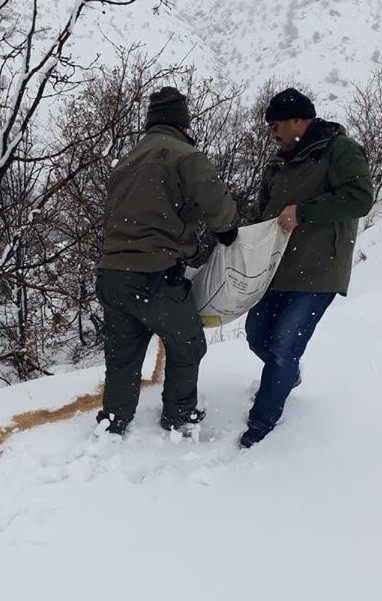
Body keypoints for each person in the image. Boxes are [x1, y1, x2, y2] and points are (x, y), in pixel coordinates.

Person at [95, 86, 237, 436]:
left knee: (123, 354)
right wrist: (228, 230)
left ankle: (114, 419)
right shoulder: (185, 155)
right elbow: (215, 203)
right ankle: (179, 416)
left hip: (112, 273)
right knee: (187, 343)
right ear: (182, 121)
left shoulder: (126, 161)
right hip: (154, 274)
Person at [240, 88, 374, 448]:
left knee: (284, 345)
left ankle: (262, 419)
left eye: (277, 126)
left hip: (318, 270)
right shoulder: (278, 162)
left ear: (300, 120)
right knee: (256, 334)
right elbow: (263, 214)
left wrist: (304, 211)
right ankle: (287, 375)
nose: (273, 134)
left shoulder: (340, 150)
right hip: (276, 269)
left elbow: (360, 198)